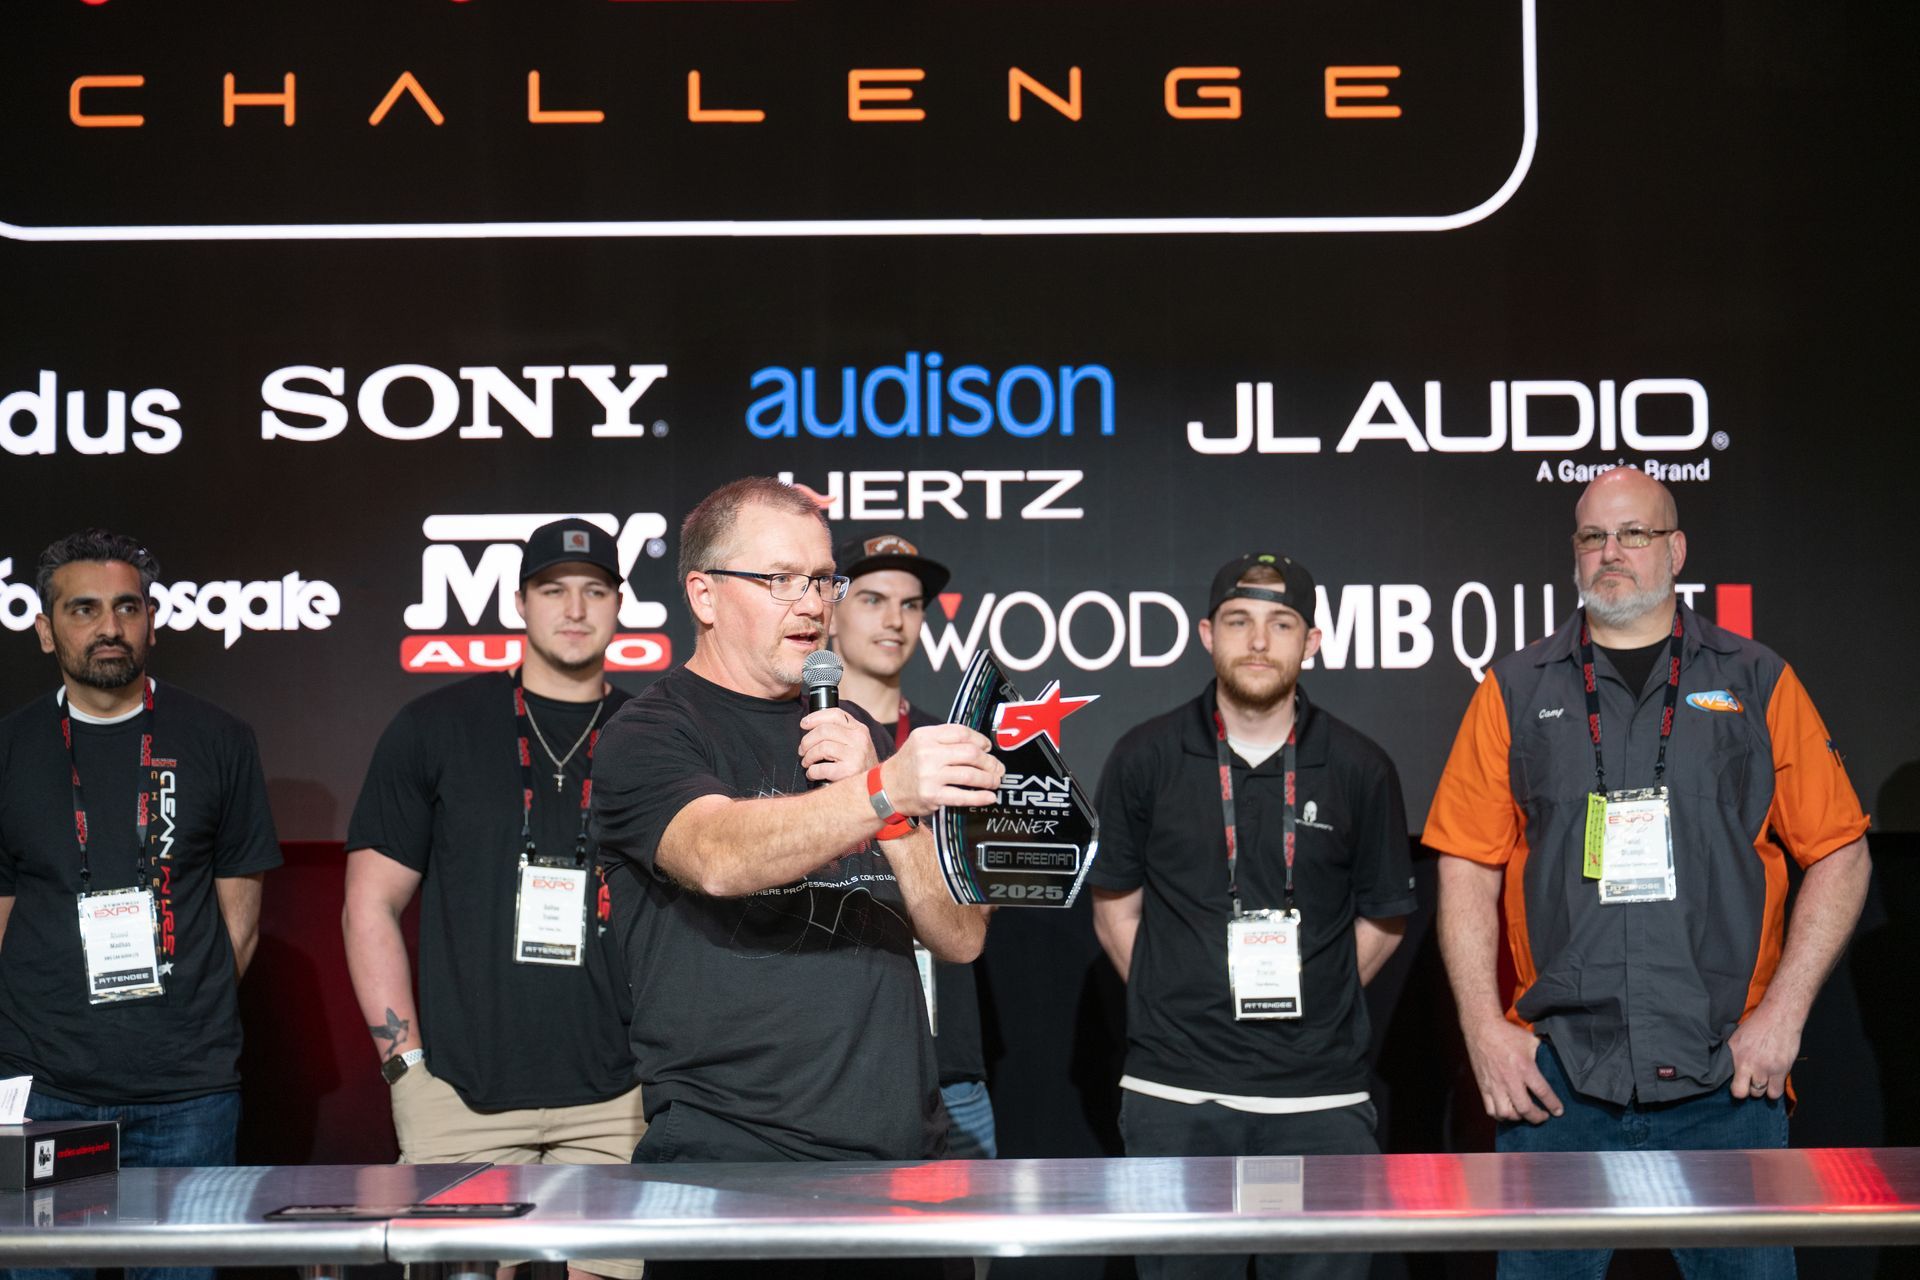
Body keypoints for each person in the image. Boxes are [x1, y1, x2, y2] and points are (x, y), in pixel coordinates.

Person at [1424, 466, 1872, 1280]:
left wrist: (1783, 1016)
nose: (1612, 553)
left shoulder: (1755, 678)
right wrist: (1485, 1031)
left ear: (1676, 549)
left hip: (1726, 1082)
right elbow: (1465, 863)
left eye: (1634, 533)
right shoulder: (1514, 689)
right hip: (1557, 1083)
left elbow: (1841, 851)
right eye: (1593, 536)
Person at [590, 478, 1000, 1276]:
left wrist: (889, 809)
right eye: (779, 579)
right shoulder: (650, 731)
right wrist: (879, 793)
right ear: (704, 594)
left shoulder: (860, 731)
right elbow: (716, 856)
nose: (810, 604)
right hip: (735, 1170)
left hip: (903, 1166)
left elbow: (960, 937)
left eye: (820, 580)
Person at [1089, 552, 1415, 1280]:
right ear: (1208, 634)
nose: (1259, 641)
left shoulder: (1361, 767)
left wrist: (1321, 999)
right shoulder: (1145, 756)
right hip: (1176, 1095)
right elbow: (1115, 911)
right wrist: (1180, 1000)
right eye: (1238, 621)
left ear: (1312, 641)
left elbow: (1385, 918)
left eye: (1281, 623)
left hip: (1320, 1101)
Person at [342, 518, 644, 1280]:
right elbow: (368, 905)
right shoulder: (434, 726)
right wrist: (405, 1072)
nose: (573, 609)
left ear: (619, 605)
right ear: (519, 602)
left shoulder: (653, 734)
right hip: (460, 1098)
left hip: (620, 1100)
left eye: (593, 591)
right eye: (553, 590)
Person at [0, 529, 281, 1280]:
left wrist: (181, 1019)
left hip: (188, 1096)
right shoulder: (11, 749)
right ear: (45, 629)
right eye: (83, 609)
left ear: (152, 621)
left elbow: (240, 919)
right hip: (47, 1090)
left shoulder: (220, 738)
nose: (109, 627)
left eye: (127, 607)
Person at [828, 532, 997, 1161]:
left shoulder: (955, 746)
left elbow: (978, 907)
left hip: (947, 1068)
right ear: (830, 611)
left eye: (911, 604)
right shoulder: (797, 737)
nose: (895, 620)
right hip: (827, 1067)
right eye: (873, 599)